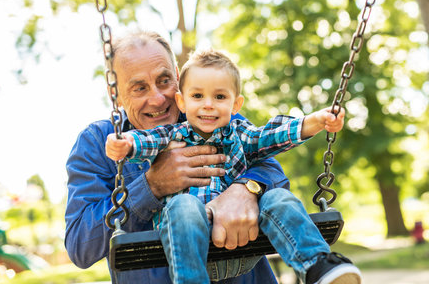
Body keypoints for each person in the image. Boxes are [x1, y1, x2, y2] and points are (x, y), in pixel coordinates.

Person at [105, 49, 362, 284]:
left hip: (243, 244)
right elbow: (147, 140)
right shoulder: (172, 135)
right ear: (182, 102)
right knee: (182, 206)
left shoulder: (241, 134)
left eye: (219, 96)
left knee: (279, 198)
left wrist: (315, 122)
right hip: (193, 244)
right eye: (197, 96)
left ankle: (318, 266)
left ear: (235, 104)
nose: (208, 104)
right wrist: (125, 143)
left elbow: (273, 136)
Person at [65, 32, 290, 283]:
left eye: (164, 81)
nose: (158, 98)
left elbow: (273, 172)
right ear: (114, 93)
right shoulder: (97, 142)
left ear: (177, 76)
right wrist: (151, 186)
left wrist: (245, 190)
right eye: (139, 88)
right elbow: (79, 246)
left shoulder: (210, 116)